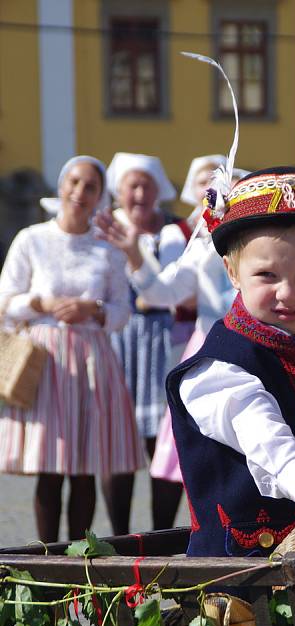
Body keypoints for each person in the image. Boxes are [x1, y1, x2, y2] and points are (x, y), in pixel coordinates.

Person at [165, 166, 295, 557]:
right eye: (266, 275)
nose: (287, 292)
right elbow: (266, 441)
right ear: (232, 272)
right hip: (245, 581)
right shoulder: (218, 369)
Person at [0, 156, 143, 543]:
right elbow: (5, 302)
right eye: (74, 183)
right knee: (50, 467)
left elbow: (121, 312)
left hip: (93, 358)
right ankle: (46, 565)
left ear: (100, 196)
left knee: (85, 467)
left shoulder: (106, 248)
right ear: (61, 186)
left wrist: (92, 309)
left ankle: (78, 564)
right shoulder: (32, 238)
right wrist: (41, 303)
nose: (80, 192)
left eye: (90, 186)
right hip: (45, 359)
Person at [101, 152, 190, 534]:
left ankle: (161, 536)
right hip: (117, 340)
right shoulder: (102, 228)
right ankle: (120, 535)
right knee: (118, 442)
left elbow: (175, 289)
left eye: (146, 186)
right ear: (119, 191)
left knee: (164, 440)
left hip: (164, 343)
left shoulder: (171, 232)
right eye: (131, 186)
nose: (139, 194)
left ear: (159, 191)